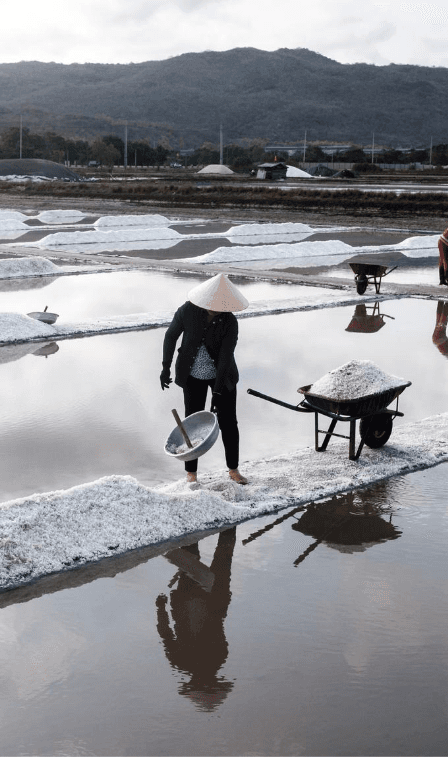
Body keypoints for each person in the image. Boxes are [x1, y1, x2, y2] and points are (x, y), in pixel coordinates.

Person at [161, 273, 249, 484]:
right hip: (192, 376)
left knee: (228, 422)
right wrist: (165, 368)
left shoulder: (230, 322)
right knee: (191, 423)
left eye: (220, 306)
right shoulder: (187, 310)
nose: (216, 308)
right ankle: (191, 474)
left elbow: (226, 357)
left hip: (223, 376)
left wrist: (218, 392)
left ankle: (233, 469)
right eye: (212, 304)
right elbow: (170, 336)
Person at [155, 527, 237, 712]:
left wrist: (161, 609)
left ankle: (227, 522)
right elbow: (165, 632)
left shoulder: (219, 657)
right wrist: (160, 608)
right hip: (193, 601)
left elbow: (167, 633)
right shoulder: (181, 661)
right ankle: (220, 522)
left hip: (212, 598)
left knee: (223, 553)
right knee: (200, 556)